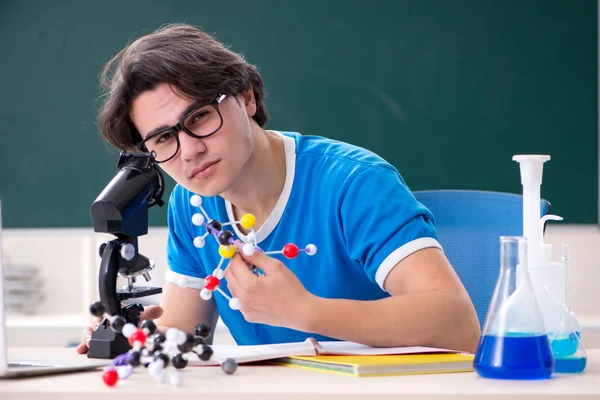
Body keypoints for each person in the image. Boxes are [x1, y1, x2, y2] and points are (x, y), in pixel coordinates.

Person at [77, 23, 480, 354]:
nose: (190, 151)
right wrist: (138, 338)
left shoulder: (352, 183)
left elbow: (458, 324)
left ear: (246, 98)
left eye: (199, 117)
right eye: (163, 139)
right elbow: (183, 330)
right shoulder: (192, 201)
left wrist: (306, 312)